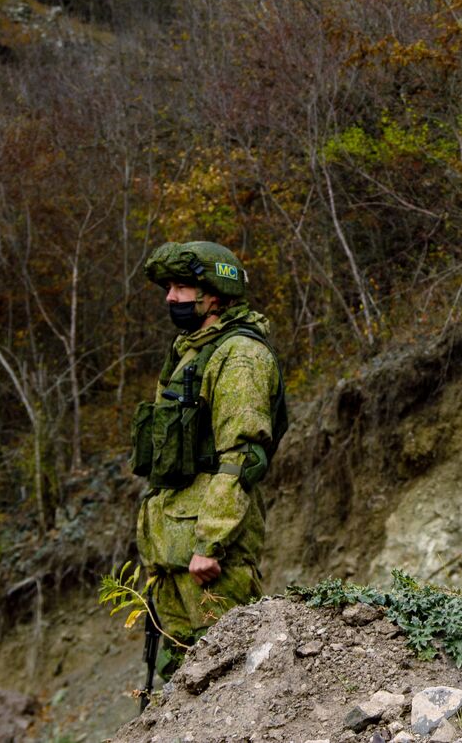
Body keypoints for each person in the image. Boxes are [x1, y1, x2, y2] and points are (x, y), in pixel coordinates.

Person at [132, 241, 286, 678]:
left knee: (227, 675)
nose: (170, 298)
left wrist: (210, 543)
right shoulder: (189, 354)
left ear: (213, 295)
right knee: (180, 680)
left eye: (181, 287)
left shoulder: (240, 356)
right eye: (169, 287)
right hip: (172, 551)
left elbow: (241, 456)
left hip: (208, 557)